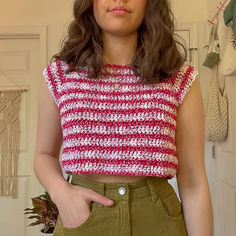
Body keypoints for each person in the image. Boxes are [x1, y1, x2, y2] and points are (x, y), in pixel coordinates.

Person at [34, 0, 213, 235]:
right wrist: (61, 193)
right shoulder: (60, 76)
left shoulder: (179, 78)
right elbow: (44, 155)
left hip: (157, 219)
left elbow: (193, 181)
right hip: (83, 218)